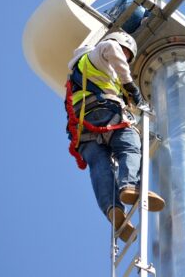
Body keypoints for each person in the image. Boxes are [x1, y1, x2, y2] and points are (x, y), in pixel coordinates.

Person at [65, 31, 165, 242]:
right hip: (106, 115)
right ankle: (129, 185)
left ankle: (112, 208)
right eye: (125, 53)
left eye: (127, 57)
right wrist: (129, 84)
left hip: (85, 130)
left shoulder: (84, 71)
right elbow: (111, 48)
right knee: (130, 147)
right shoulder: (98, 53)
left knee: (100, 167)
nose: (123, 58)